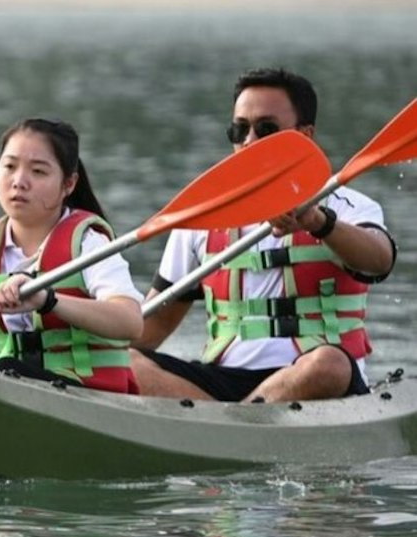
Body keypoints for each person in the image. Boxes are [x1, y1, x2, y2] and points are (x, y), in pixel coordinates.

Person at [132, 67, 396, 403]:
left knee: (330, 364)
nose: (250, 141)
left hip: (314, 378)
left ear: (306, 135)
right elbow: (151, 327)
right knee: (127, 363)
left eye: (266, 129)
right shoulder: (200, 218)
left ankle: (233, 424)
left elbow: (379, 260)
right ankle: (239, 421)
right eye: (240, 129)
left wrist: (317, 222)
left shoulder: (348, 206)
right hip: (222, 382)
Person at [0, 117, 143, 391]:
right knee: (3, 372)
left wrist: (47, 300)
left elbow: (131, 322)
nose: (19, 181)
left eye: (38, 172)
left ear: (69, 184)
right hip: (1, 392)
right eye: (9, 167)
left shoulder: (90, 245)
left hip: (87, 396)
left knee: (6, 371)